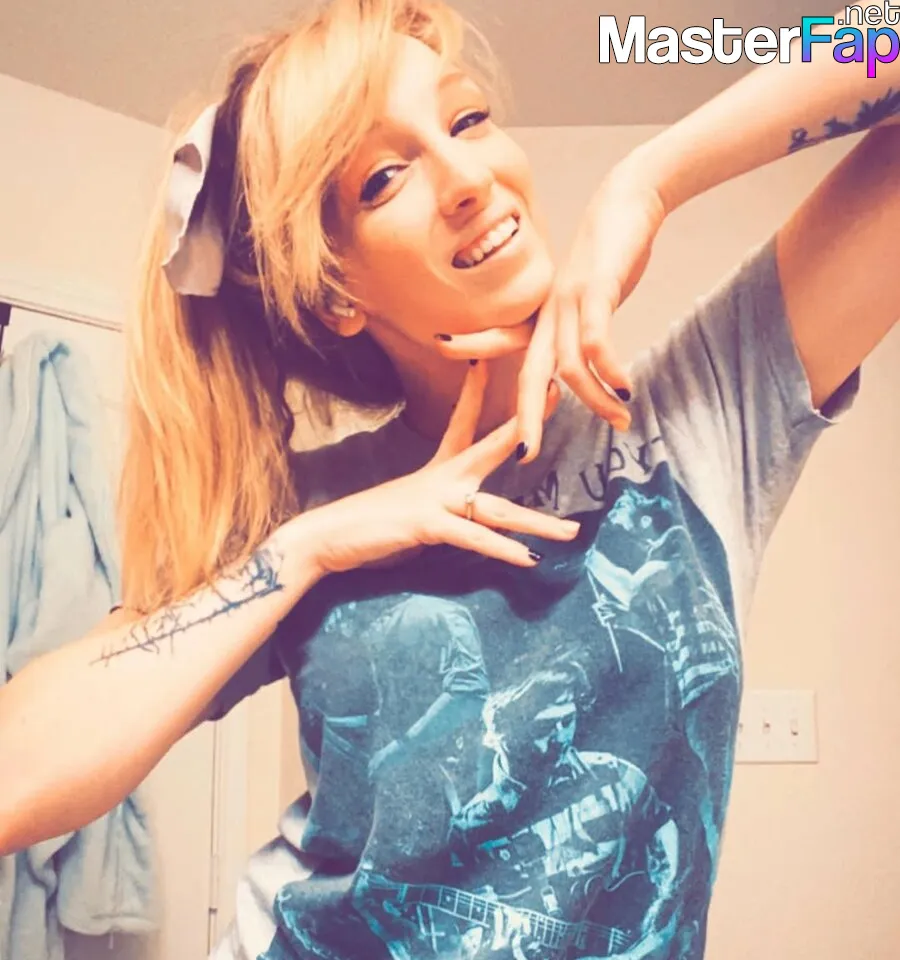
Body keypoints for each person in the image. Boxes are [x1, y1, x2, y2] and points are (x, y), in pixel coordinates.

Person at [0, 1, 897, 958]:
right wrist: (308, 550)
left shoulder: (706, 404)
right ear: (336, 292)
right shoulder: (311, 512)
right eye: (384, 178)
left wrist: (651, 178)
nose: (468, 177)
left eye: (467, 120)